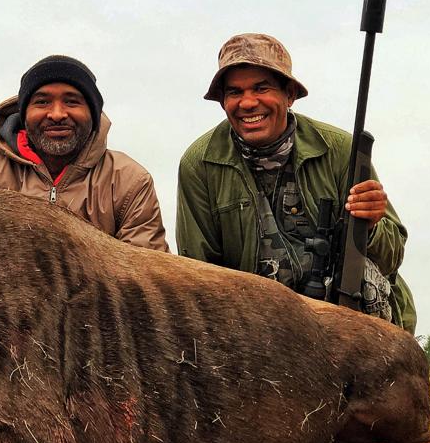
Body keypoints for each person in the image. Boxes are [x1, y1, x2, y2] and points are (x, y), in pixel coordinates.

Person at [176, 33, 416, 332]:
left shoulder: (341, 150)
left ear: (289, 94)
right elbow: (198, 272)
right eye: (234, 92)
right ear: (223, 101)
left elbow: (392, 257)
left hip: (347, 317)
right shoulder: (199, 163)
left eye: (261, 88)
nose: (248, 103)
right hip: (256, 323)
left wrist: (371, 227)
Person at [0, 54, 169, 251]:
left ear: (93, 114)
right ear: (24, 114)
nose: (57, 114)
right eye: (42, 102)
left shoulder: (129, 180)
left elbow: (144, 271)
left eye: (72, 101)